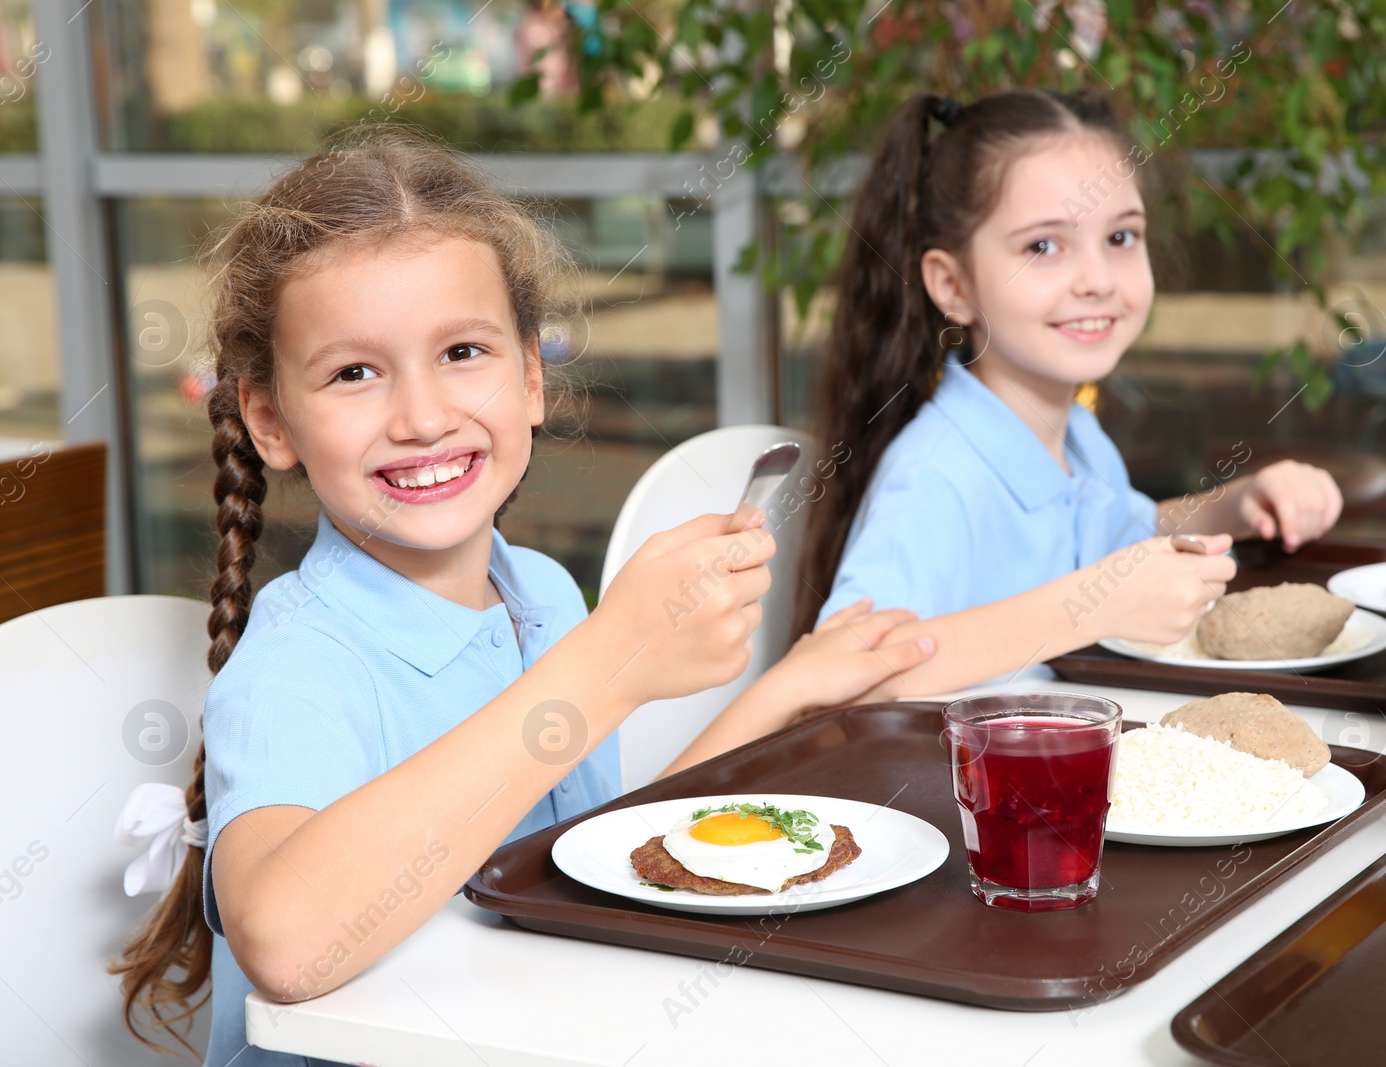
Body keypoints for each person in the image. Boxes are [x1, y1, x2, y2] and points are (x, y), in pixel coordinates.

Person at [109, 125, 932, 1066]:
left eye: (463, 351)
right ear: (270, 418)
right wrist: (608, 666)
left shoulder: (536, 590)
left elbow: (590, 857)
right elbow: (289, 943)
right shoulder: (298, 664)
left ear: (532, 376)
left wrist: (781, 697)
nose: (422, 417)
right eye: (354, 373)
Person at [793, 90, 1344, 696]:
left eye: (1120, 238)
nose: (1098, 280)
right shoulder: (934, 480)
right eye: (1043, 246)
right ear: (952, 285)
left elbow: (1122, 538)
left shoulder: (1074, 434)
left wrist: (1236, 505)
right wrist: (1090, 606)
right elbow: (837, 690)